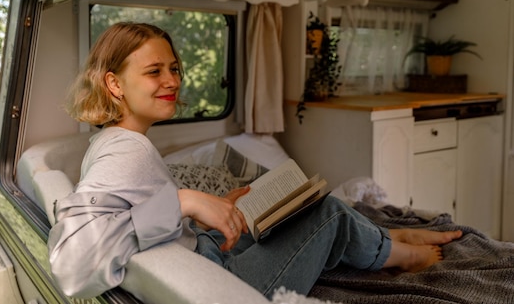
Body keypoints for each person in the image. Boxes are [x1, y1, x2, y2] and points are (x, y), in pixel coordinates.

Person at [47, 22, 463, 299]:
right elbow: (71, 264)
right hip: (219, 280)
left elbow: (130, 217)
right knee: (329, 214)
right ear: (114, 84)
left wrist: (205, 208)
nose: (172, 80)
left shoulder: (112, 140)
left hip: (202, 251)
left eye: (174, 68)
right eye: (155, 71)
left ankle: (388, 240)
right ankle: (404, 257)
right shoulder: (126, 150)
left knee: (302, 207)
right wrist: (184, 201)